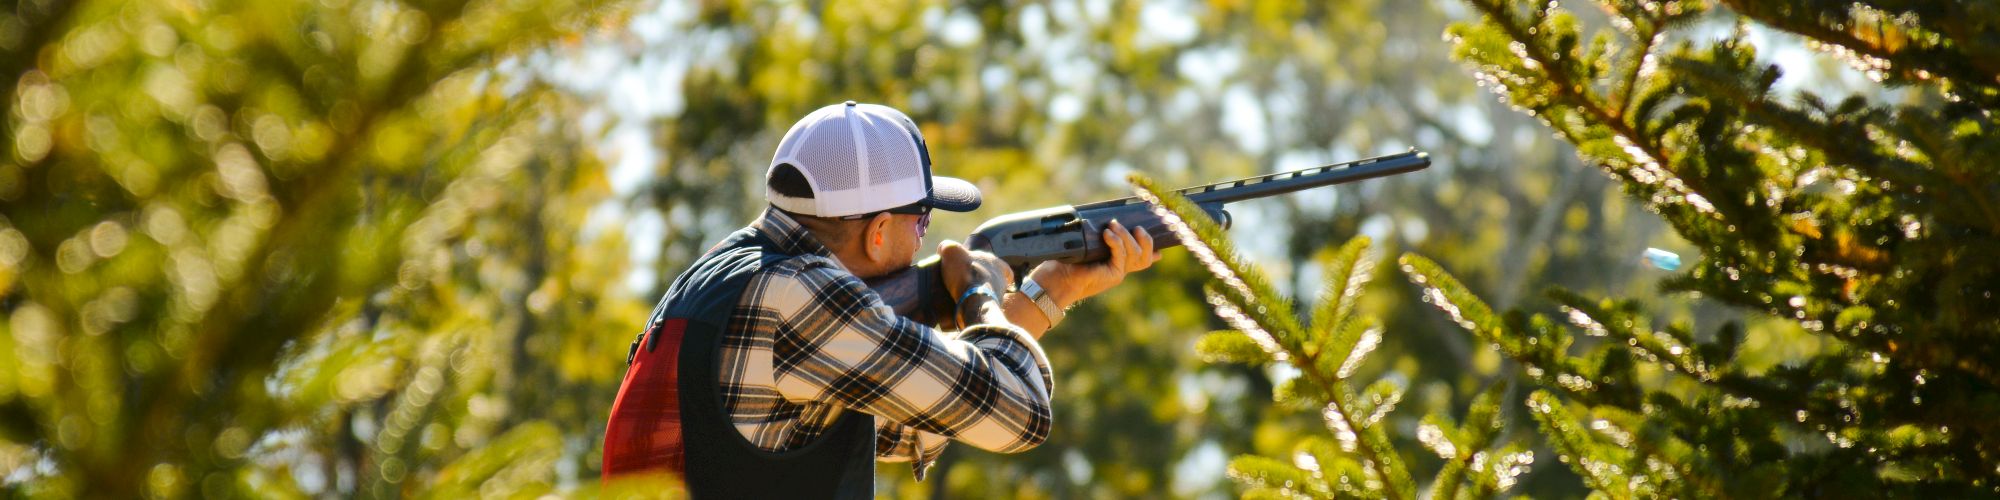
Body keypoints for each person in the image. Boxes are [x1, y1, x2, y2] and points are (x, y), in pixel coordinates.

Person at [601, 101, 1160, 497]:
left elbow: (925, 421)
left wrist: (1053, 289)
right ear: (877, 232)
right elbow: (1019, 415)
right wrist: (977, 295)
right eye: (921, 221)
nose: (926, 237)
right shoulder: (803, 294)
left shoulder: (718, 274)